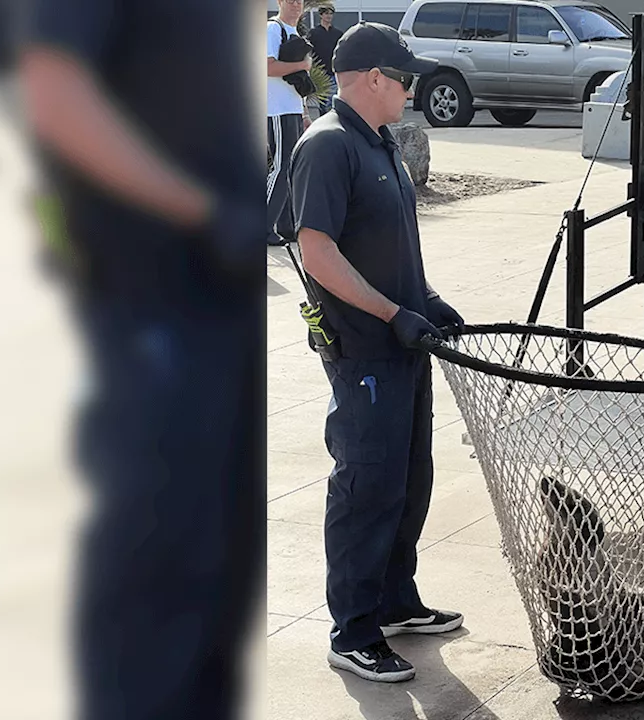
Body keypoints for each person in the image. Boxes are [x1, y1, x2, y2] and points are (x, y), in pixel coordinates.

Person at [17, 1, 264, 719]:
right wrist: (201, 212)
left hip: (219, 307)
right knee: (160, 577)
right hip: (157, 308)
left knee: (220, 584)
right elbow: (53, 91)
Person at [287, 22, 467, 684]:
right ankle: (354, 629)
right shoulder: (328, 147)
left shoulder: (381, 144)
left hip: (402, 344)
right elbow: (319, 252)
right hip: (365, 350)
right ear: (370, 80)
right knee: (367, 487)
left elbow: (387, 247)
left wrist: (427, 299)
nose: (411, 89)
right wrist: (393, 315)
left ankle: (395, 600)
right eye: (404, 78)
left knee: (407, 479)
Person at [267, 0, 312, 245]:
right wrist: (302, 65)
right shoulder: (273, 29)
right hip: (275, 110)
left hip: (291, 110)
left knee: (290, 169)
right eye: (290, 0)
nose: (295, 4)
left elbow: (297, 81)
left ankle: (284, 226)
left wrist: (304, 114)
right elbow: (268, 66)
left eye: (299, 0)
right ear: (280, 2)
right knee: (281, 166)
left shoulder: (294, 33)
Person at [308, 6, 343, 116]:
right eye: (326, 13)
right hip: (320, 74)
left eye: (330, 14)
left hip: (333, 72)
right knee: (323, 104)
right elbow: (308, 52)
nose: (329, 16)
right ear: (321, 15)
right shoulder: (313, 33)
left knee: (333, 103)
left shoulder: (338, 34)